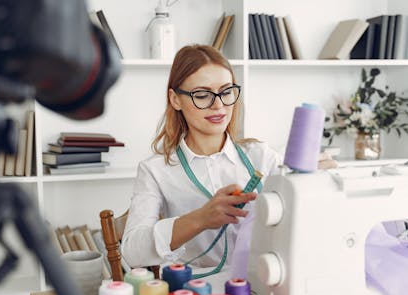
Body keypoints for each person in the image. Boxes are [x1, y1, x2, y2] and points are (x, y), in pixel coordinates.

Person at [121, 44, 336, 273]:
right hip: (195, 290)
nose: (219, 105)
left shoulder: (261, 157)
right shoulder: (155, 171)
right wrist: (200, 218)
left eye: (226, 92)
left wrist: (320, 184)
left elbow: (307, 222)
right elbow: (133, 253)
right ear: (175, 100)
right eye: (202, 95)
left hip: (258, 283)